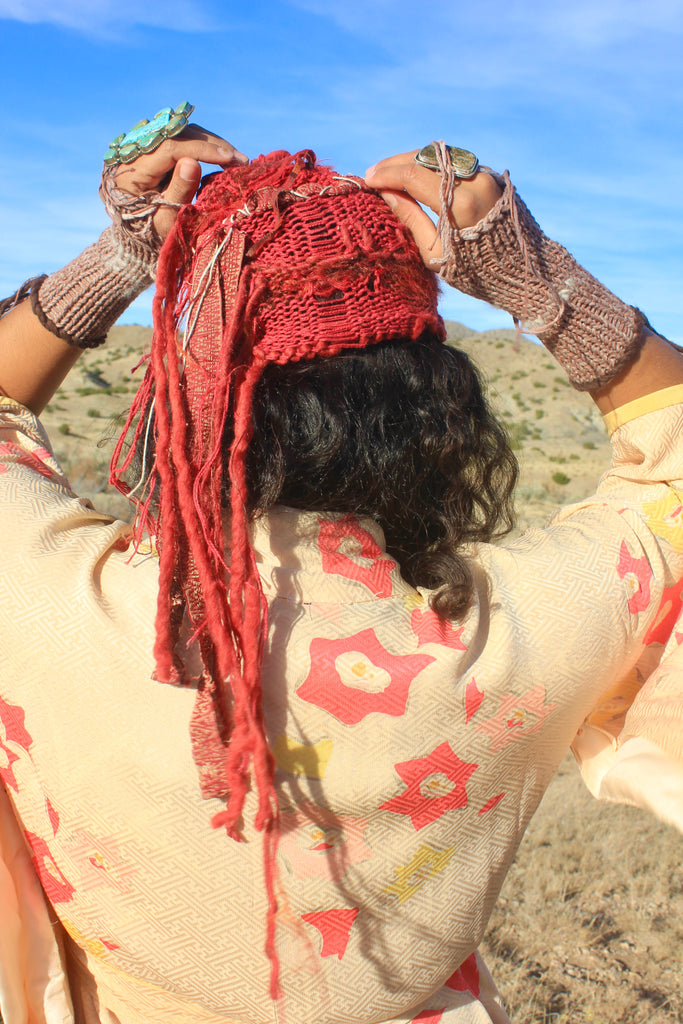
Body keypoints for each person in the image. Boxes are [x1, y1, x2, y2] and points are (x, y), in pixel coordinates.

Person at [0, 108, 681, 1024]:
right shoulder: (528, 628)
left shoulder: (46, 598)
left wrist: (117, 260)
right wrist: (539, 282)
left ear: (187, 396)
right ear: (436, 409)